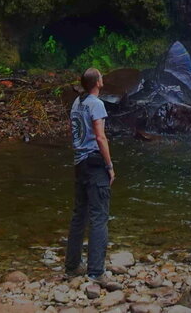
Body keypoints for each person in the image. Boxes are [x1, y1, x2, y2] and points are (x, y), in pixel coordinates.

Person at [65, 67, 115, 280]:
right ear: (97, 83)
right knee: (99, 217)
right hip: (95, 163)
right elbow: (100, 137)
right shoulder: (97, 104)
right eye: (101, 77)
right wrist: (110, 165)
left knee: (79, 216)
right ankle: (96, 271)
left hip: (79, 162)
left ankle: (72, 266)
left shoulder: (78, 103)